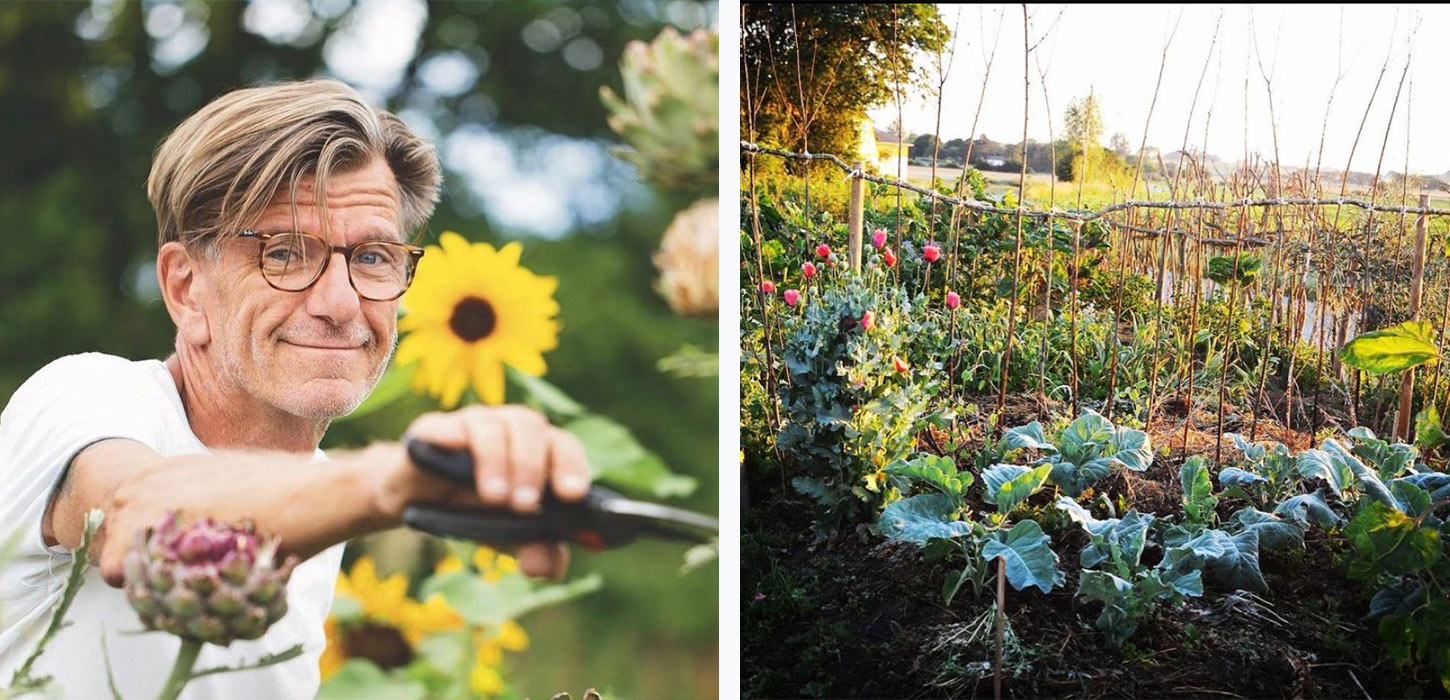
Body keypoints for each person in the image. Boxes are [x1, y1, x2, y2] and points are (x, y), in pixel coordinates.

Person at [0, 78, 591, 699]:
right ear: (184, 288)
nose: (341, 304)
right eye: (284, 253)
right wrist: (392, 479)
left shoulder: (317, 491)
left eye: (372, 257)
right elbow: (140, 516)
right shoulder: (85, 397)